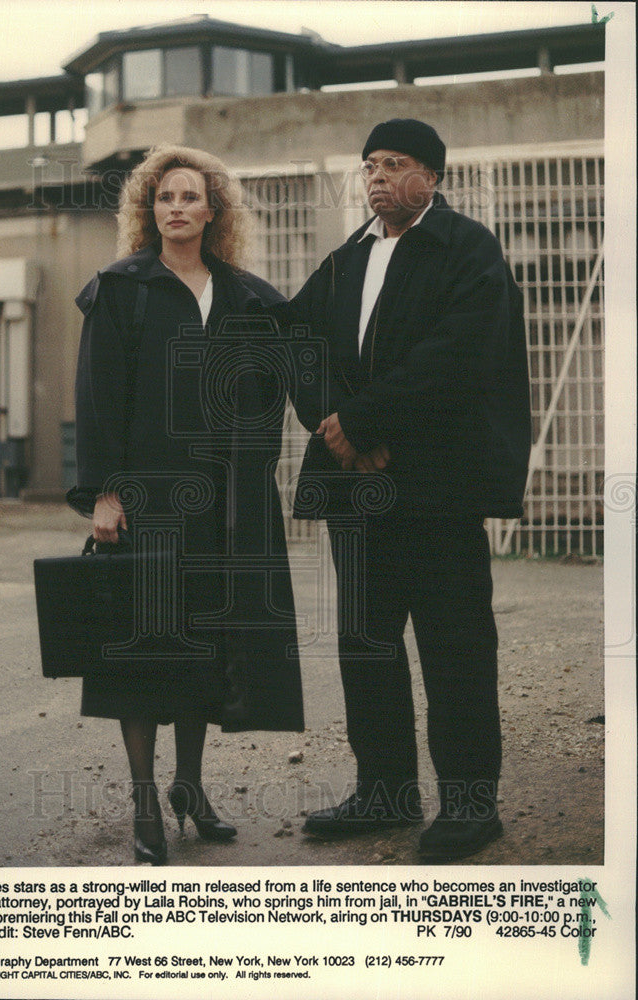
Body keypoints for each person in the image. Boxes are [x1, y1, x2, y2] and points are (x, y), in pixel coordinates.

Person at [286, 119, 531, 861]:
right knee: (367, 646)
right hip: (356, 488)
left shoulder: (466, 249)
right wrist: (336, 429)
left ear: (432, 175)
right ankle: (383, 793)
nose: (377, 178)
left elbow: (455, 356)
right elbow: (297, 345)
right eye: (368, 166)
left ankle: (468, 805)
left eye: (394, 164)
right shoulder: (343, 259)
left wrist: (360, 420)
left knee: (453, 646)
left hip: (437, 485)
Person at [67, 145, 304, 865]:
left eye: (189, 197)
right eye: (163, 197)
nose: (175, 207)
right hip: (146, 500)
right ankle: (144, 803)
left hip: (223, 505)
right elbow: (98, 396)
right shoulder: (121, 289)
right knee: (142, 652)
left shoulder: (248, 297)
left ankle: (189, 787)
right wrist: (104, 494)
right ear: (149, 209)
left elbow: (271, 400)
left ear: (212, 211)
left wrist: (253, 476)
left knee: (205, 645)